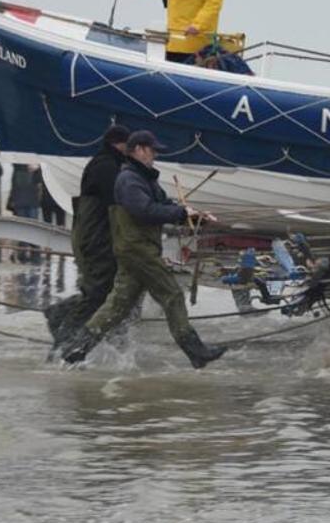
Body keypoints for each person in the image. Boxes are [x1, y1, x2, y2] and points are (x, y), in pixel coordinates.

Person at [52, 130, 224, 369]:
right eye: (152, 151)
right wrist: (181, 213)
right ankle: (195, 350)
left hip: (134, 248)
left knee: (118, 304)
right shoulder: (129, 179)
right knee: (171, 294)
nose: (155, 156)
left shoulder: (143, 177)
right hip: (137, 249)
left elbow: (164, 205)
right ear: (140, 149)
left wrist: (193, 216)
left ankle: (76, 350)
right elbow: (143, 210)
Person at [43, 124, 129, 343]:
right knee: (99, 292)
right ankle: (65, 335)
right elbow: (117, 202)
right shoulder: (106, 166)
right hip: (96, 238)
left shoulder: (106, 163)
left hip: (95, 236)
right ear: (119, 144)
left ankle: (72, 325)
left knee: (104, 291)